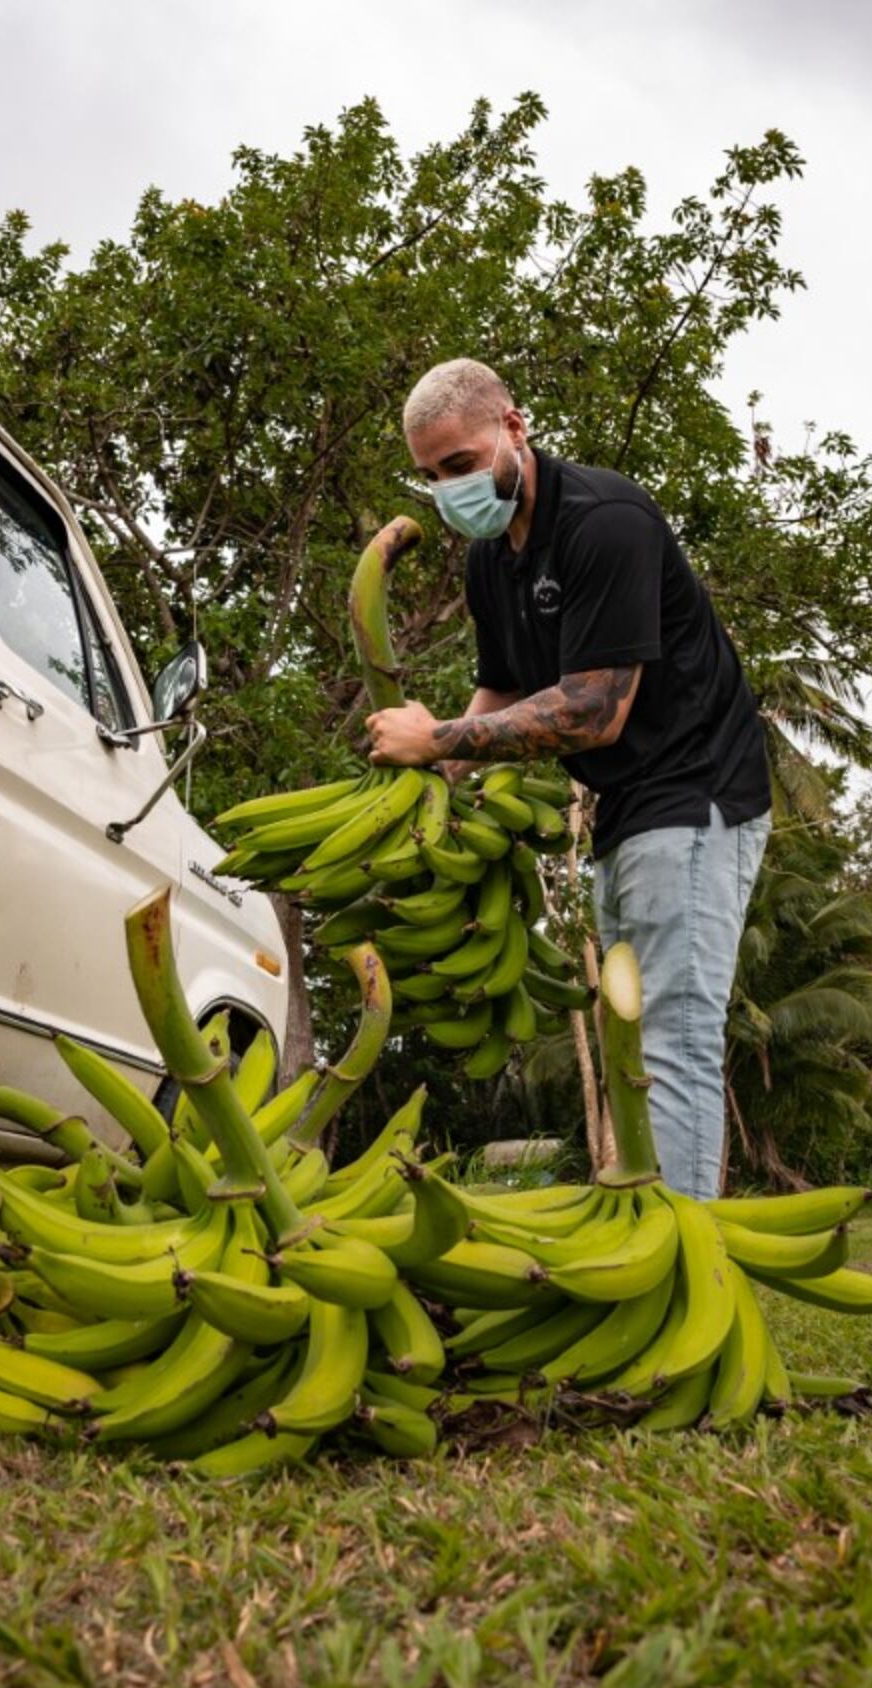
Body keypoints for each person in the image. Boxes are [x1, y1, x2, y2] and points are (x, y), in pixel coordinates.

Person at [365, 358, 773, 1201]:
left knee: (672, 1036)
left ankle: (685, 1248)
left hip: (694, 792)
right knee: (625, 1044)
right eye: (431, 476)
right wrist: (434, 772)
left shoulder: (605, 521)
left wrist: (438, 733)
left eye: (462, 465)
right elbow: (506, 689)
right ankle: (637, 1223)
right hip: (623, 806)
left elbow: (596, 710)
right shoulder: (490, 561)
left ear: (514, 426)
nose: (448, 490)